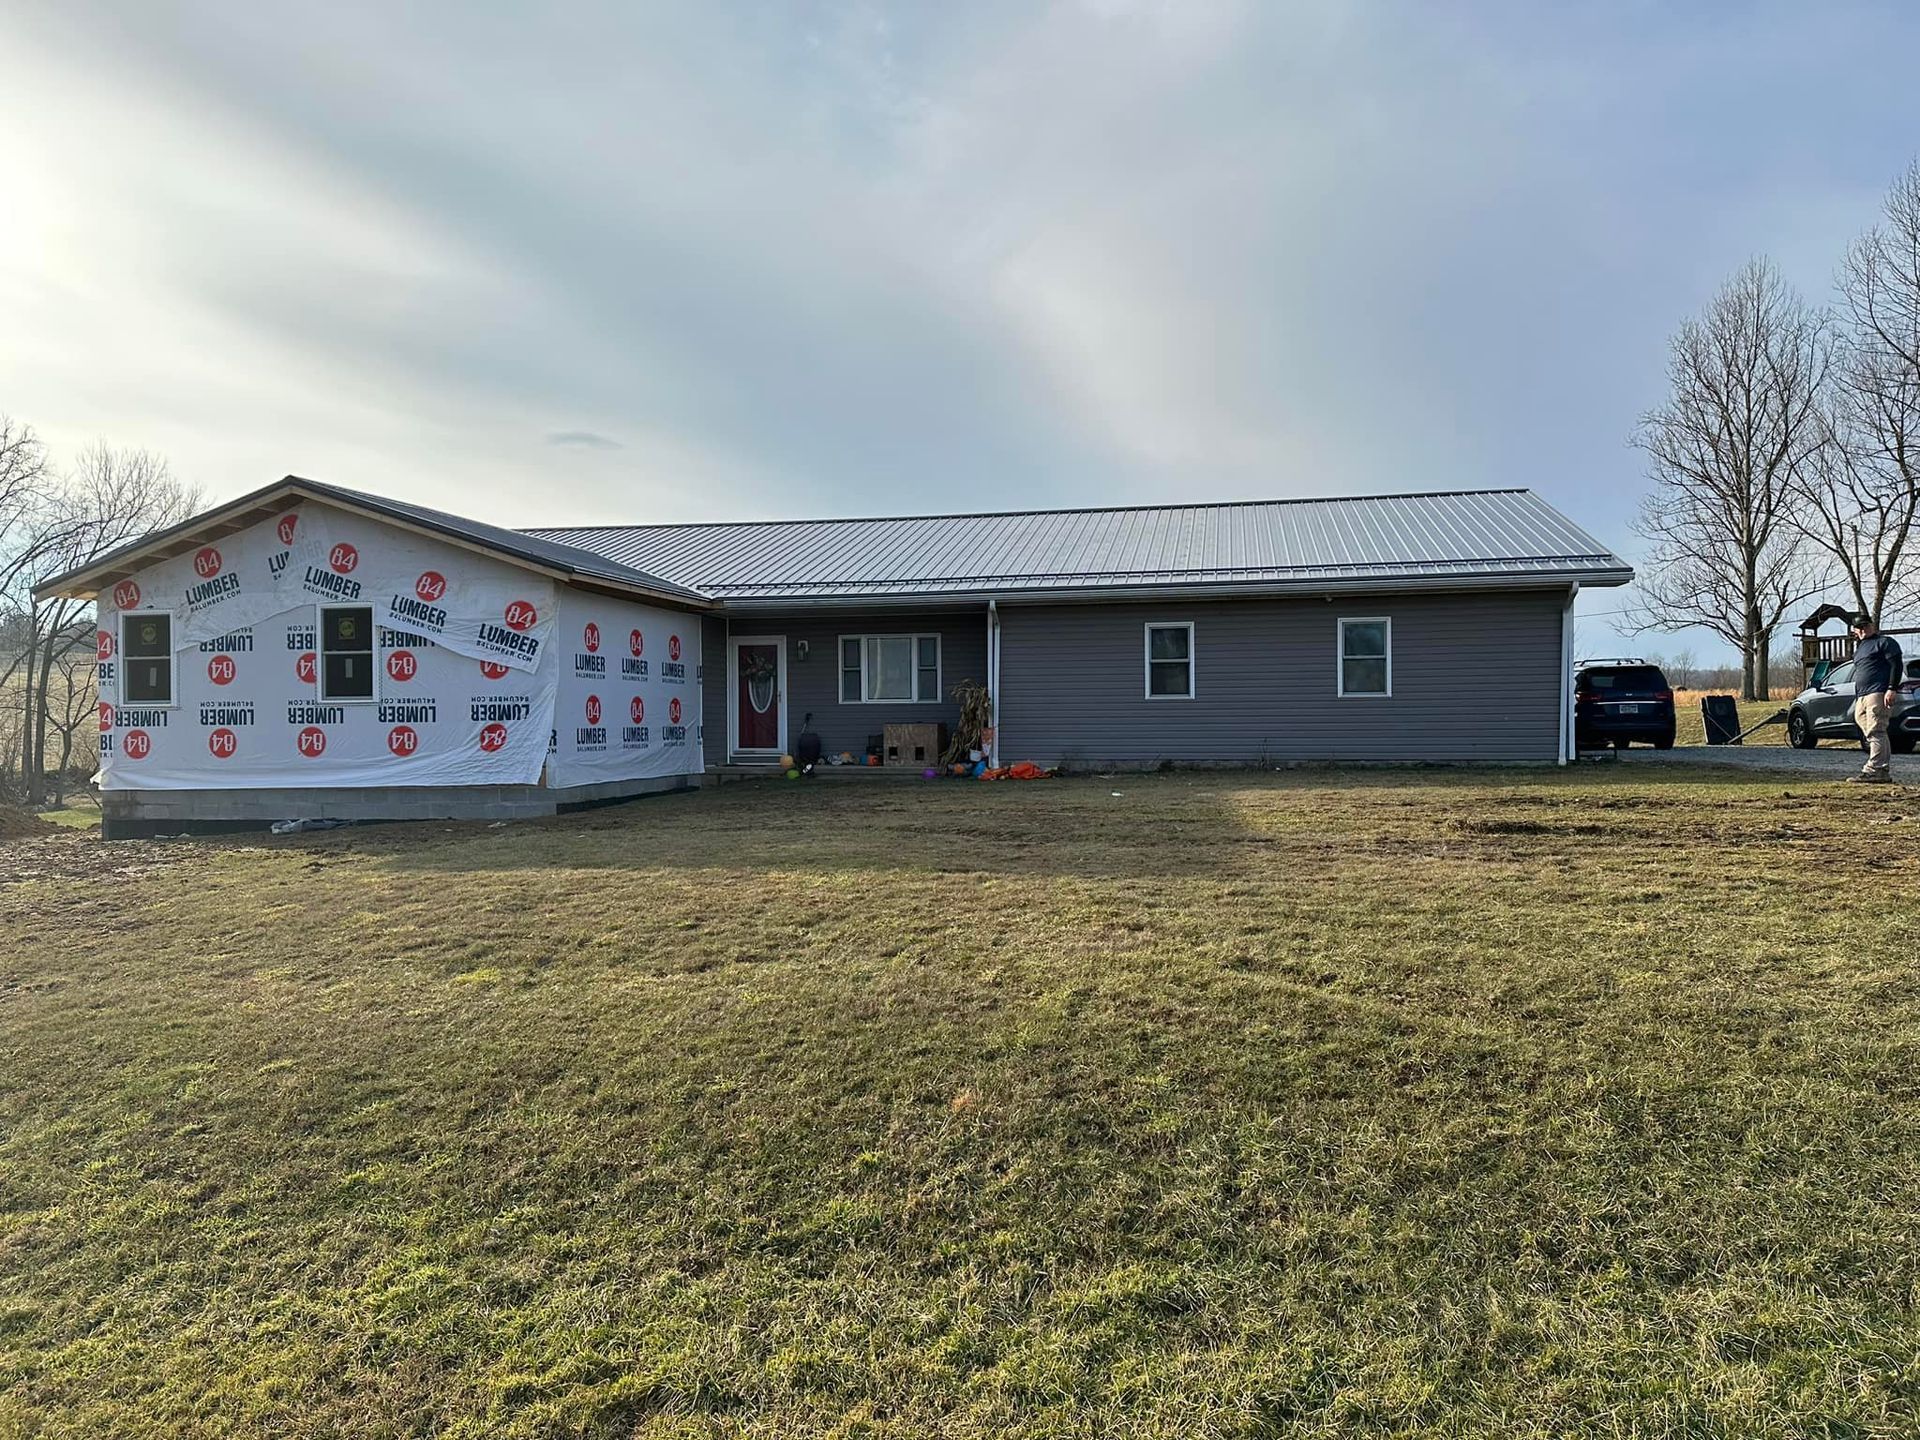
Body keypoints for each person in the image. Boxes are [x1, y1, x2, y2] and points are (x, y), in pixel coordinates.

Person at [1844, 612, 1904, 785]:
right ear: (1855, 630)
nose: (1863, 630)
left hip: (1878, 692)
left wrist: (1892, 688)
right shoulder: (1860, 648)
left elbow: (1896, 665)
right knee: (1870, 728)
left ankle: (1875, 770)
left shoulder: (1885, 642)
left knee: (1876, 729)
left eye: (1866, 626)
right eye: (1859, 628)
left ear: (1872, 626)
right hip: (1862, 695)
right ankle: (1881, 768)